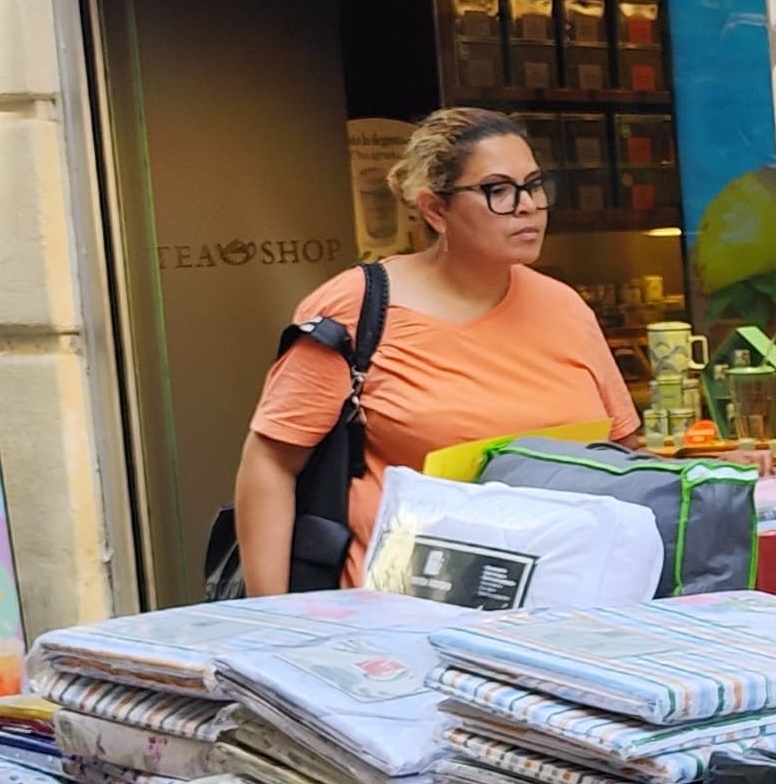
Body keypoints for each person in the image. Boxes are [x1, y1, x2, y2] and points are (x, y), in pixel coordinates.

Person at [237, 107, 632, 592]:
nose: (527, 205)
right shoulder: (358, 304)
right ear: (435, 210)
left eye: (534, 185)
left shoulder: (565, 306)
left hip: (559, 609)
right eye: (498, 190)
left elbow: (622, 453)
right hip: (397, 613)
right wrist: (271, 619)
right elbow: (272, 461)